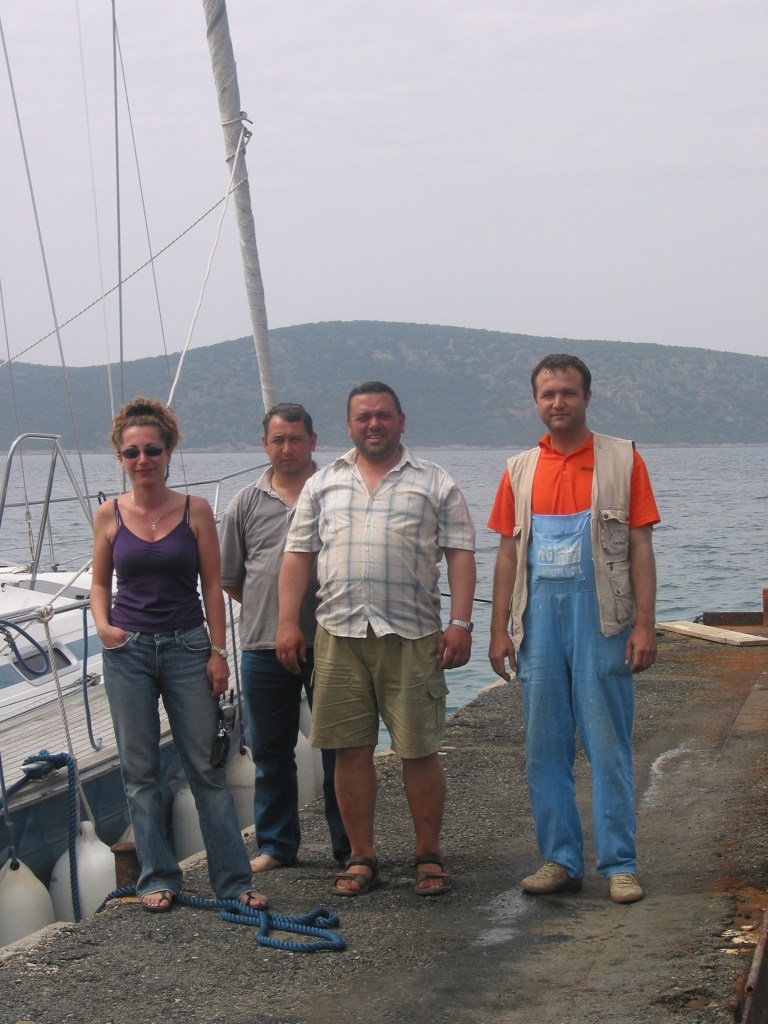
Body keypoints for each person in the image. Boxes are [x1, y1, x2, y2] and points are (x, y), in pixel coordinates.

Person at [276, 381, 476, 898]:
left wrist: (461, 622)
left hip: (413, 634)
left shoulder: (435, 482)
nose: (373, 424)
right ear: (349, 425)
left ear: (401, 421)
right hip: (338, 633)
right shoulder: (323, 484)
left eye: (383, 415)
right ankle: (361, 857)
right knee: (349, 751)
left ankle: (428, 854)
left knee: (419, 749)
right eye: (363, 416)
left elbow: (460, 553)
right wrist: (287, 622)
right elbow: (297, 556)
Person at [488, 354, 659, 905]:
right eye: (548, 394)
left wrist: (645, 625)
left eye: (567, 392)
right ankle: (560, 860)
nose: (557, 402)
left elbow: (640, 547)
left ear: (586, 397)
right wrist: (498, 630)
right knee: (544, 747)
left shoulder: (623, 459)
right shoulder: (519, 469)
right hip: (537, 624)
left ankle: (620, 865)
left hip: (603, 621)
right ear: (536, 402)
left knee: (608, 745)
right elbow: (508, 553)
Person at [90, 397, 267, 913]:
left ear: (169, 452)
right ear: (120, 458)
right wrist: (103, 626)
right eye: (132, 452)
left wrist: (217, 651)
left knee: (205, 769)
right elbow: (99, 584)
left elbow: (213, 585)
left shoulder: (196, 511)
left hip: (188, 647)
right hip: (128, 651)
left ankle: (233, 881)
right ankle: (157, 877)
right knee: (140, 772)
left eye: (152, 449)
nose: (142, 459)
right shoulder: (108, 514)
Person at [218, 402, 349, 873]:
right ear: (265, 445)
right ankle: (276, 845)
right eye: (278, 440)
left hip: (334, 640)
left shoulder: (337, 493)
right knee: (271, 752)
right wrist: (273, 614)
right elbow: (232, 578)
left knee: (340, 750)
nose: (287, 448)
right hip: (263, 645)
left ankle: (349, 847)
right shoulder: (245, 503)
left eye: (296, 439)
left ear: (313, 441)